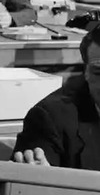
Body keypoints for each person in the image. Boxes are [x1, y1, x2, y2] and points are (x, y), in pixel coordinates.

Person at [12, 26, 100, 169]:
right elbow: (23, 182)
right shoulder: (49, 118)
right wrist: (44, 178)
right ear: (86, 72)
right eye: (99, 73)